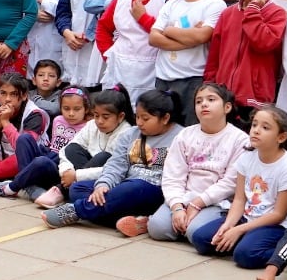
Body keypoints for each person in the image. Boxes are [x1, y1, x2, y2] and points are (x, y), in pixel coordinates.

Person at [43, 88, 183, 234]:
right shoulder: (131, 134)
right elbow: (116, 164)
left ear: (165, 118)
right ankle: (138, 221)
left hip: (154, 191)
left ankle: (76, 210)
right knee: (77, 189)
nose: (140, 123)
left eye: (145, 118)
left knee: (134, 187)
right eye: (138, 117)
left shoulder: (180, 137)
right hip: (123, 188)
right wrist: (103, 185)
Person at [189, 104, 287, 268]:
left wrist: (239, 230)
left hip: (277, 226)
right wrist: (228, 225)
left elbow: (278, 214)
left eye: (265, 127)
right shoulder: (246, 157)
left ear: (281, 137)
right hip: (248, 218)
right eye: (255, 124)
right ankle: (244, 240)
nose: (256, 130)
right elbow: (239, 200)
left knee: (245, 255)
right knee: (201, 239)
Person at [147, 82, 246, 244]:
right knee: (157, 228)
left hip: (216, 202)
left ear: (227, 108)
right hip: (184, 197)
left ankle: (187, 228)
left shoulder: (239, 139)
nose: (204, 104)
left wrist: (198, 203)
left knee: (195, 231)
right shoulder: (185, 135)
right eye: (199, 101)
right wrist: (177, 206)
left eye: (211, 99)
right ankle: (157, 222)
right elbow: (173, 175)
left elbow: (231, 183)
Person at [203, 0, 286, 124]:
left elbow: (263, 43)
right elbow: (215, 55)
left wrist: (253, 10)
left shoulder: (276, 13)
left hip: (256, 97)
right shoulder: (228, 14)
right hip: (224, 94)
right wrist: (210, 85)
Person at [148, 0, 224, 124]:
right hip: (163, 77)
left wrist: (170, 30)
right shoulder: (172, 3)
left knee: (188, 127)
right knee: (162, 127)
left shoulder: (214, 4)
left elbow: (202, 36)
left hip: (192, 78)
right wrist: (189, 37)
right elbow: (154, 37)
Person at [97, 0, 175, 103]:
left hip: (153, 70)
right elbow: (103, 28)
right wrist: (108, 55)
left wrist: (143, 18)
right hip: (120, 68)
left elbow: (172, 33)